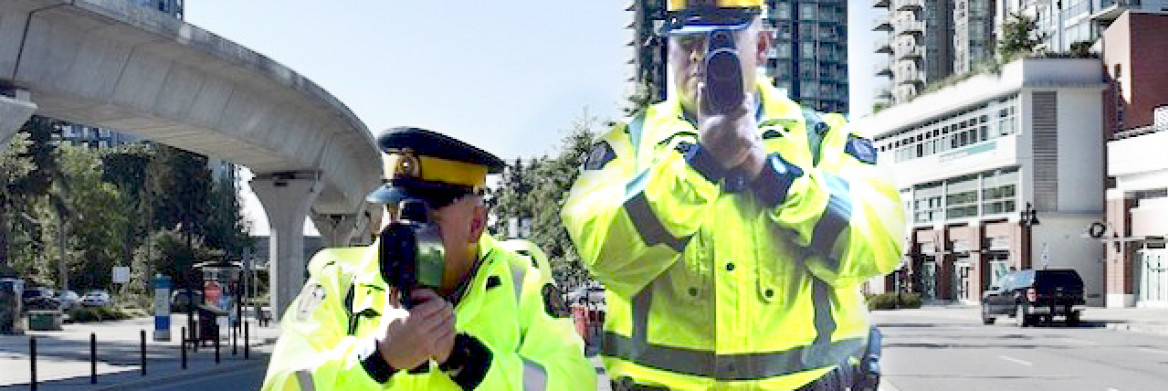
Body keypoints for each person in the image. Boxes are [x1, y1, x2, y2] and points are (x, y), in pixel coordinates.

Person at [560, 1, 906, 389]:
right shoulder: (627, 146)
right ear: (666, 48)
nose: (700, 59)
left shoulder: (825, 140)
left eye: (718, 43)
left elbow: (881, 241)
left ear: (761, 46)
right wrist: (700, 167)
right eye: (687, 42)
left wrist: (772, 176)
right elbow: (600, 250)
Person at [262, 127, 596, 390]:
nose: (404, 234)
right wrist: (376, 359)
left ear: (476, 223)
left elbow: (574, 383)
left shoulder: (521, 283)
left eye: (424, 220)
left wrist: (466, 361)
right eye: (395, 213)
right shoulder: (340, 283)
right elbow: (284, 384)